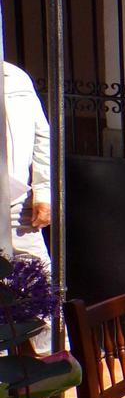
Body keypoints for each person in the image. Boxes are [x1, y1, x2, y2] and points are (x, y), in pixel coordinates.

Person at [3, 62, 52, 355]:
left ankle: (53, 364)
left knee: (39, 288)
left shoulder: (15, 77)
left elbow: (41, 136)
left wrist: (43, 193)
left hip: (17, 204)